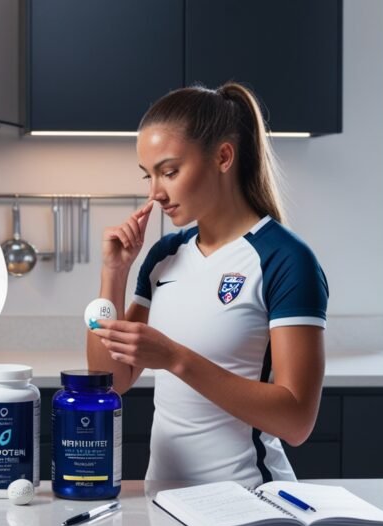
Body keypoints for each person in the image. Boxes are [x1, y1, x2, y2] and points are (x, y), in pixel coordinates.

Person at [88, 83, 329, 486]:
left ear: (223, 157)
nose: (155, 193)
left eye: (169, 172)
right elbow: (110, 381)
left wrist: (176, 359)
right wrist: (114, 273)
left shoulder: (284, 259)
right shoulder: (165, 255)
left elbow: (297, 420)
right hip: (166, 505)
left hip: (250, 506)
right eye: (148, 176)